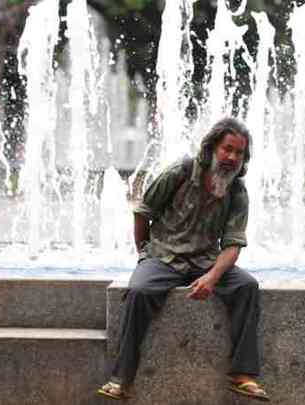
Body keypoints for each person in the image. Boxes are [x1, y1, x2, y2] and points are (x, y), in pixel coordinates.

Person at [97, 117, 268, 401]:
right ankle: (122, 378)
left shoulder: (237, 191)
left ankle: (242, 373)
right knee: (139, 291)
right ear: (212, 147)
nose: (232, 158)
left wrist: (212, 277)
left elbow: (233, 246)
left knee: (247, 286)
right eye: (227, 149)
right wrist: (144, 252)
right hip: (164, 257)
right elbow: (143, 211)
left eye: (239, 153)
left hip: (205, 261)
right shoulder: (180, 171)